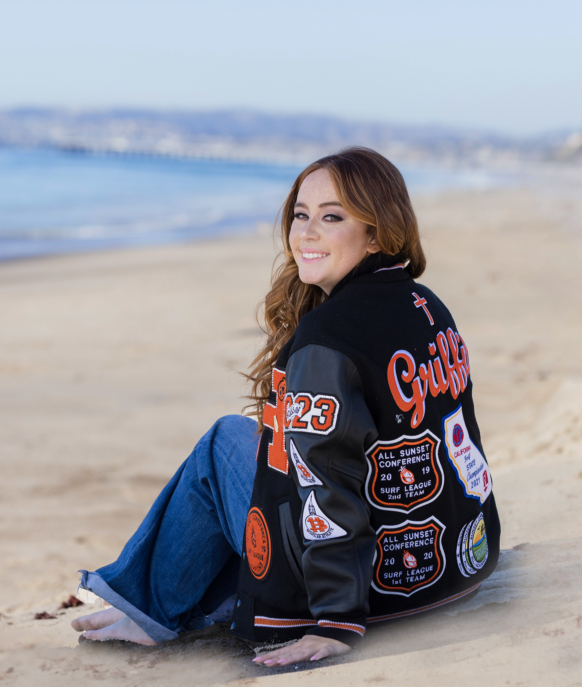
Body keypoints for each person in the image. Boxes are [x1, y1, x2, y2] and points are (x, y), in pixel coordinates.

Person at [73, 147, 500, 667]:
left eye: (332, 217)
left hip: (368, 595)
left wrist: (338, 621)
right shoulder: (427, 304)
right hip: (451, 565)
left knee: (223, 443)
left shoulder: (328, 336)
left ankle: (149, 611)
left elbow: (326, 480)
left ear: (378, 232)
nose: (307, 233)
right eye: (301, 215)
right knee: (264, 448)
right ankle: (153, 603)